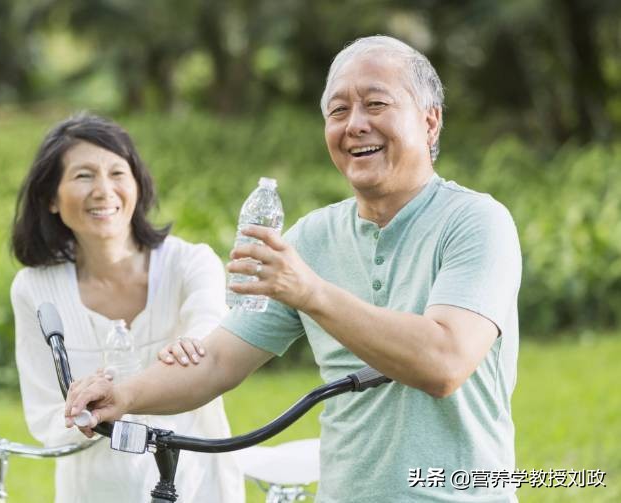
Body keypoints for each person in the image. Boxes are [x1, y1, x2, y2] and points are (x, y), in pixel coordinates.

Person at [66, 35, 522, 503]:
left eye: (376, 104)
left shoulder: (477, 223)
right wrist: (125, 396)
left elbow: (444, 363)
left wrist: (311, 293)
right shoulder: (311, 238)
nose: (355, 125)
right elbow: (220, 360)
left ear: (430, 122)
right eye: (338, 111)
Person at [10, 113, 244, 503]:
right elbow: (44, 413)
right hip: (94, 490)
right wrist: (83, 411)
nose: (104, 190)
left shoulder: (191, 264)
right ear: (50, 198)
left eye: (117, 173)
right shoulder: (34, 289)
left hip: (198, 482)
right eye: (84, 176)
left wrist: (192, 345)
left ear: (137, 185)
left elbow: (210, 332)